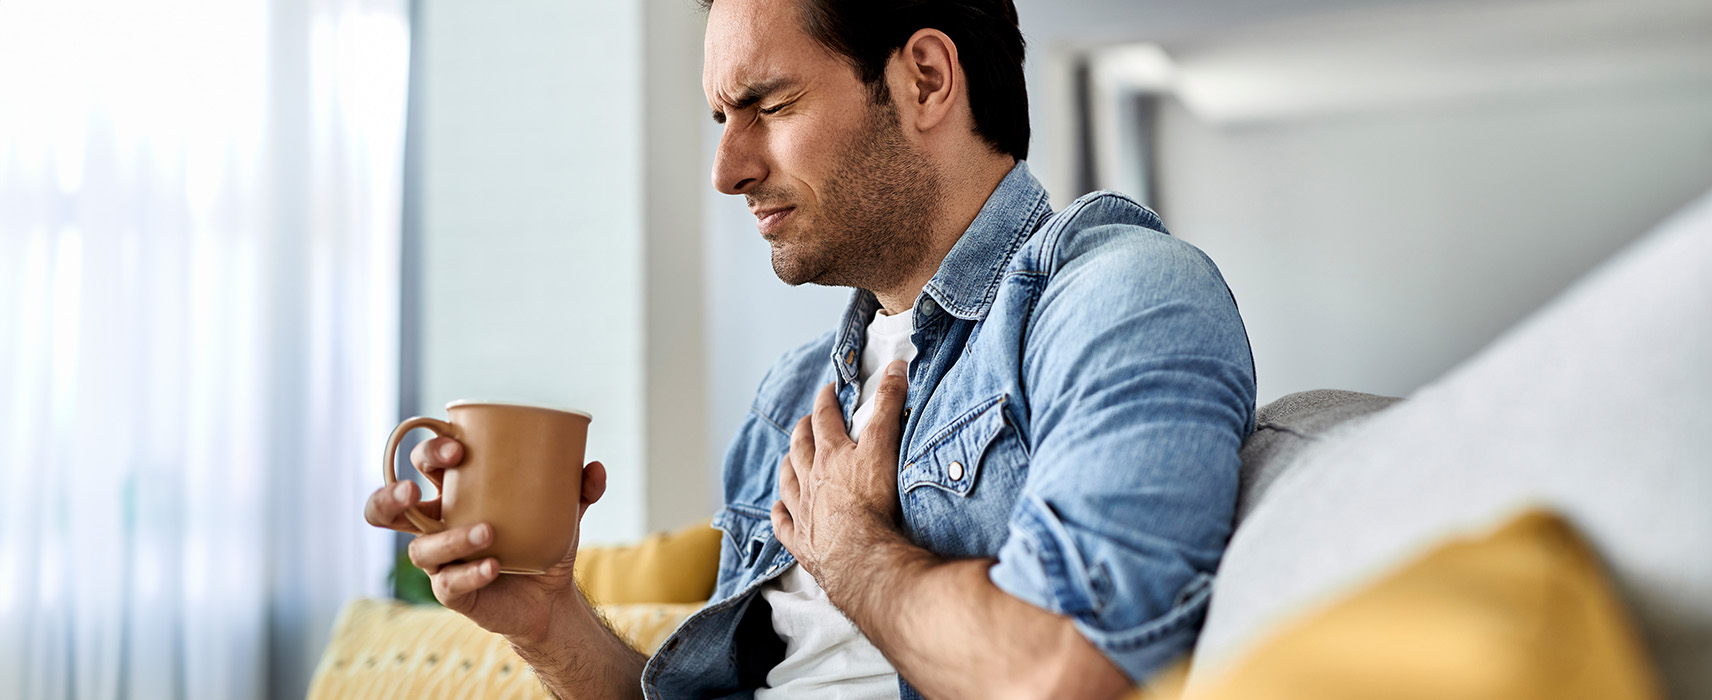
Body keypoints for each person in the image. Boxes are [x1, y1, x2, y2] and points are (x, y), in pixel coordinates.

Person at [363, 0, 1256, 697]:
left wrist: (859, 555)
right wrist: (546, 621)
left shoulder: (1115, 297)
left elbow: (1071, 674)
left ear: (926, 79)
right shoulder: (788, 401)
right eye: (721, 114)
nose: (727, 168)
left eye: (769, 105)